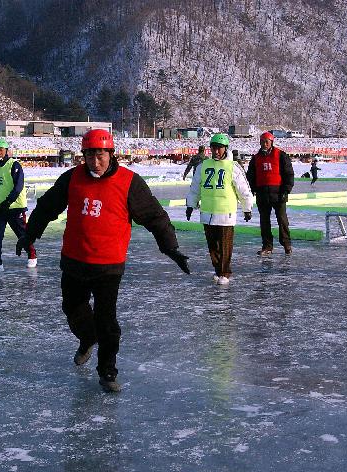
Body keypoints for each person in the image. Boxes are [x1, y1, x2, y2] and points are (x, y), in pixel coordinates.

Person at [16, 129, 190, 393]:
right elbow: (48, 206)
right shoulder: (72, 178)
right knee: (72, 309)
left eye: (101, 156)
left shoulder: (129, 182)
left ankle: (107, 370)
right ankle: (88, 338)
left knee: (106, 319)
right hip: (74, 259)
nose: (95, 163)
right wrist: (30, 234)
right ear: (83, 156)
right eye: (90, 156)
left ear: (111, 154)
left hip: (108, 265)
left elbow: (155, 217)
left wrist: (171, 248)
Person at [185, 133, 253, 284]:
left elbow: (243, 189)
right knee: (212, 246)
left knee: (225, 245)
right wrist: (190, 205)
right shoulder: (203, 166)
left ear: (225, 149)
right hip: (208, 212)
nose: (216, 151)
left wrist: (247, 208)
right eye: (213, 148)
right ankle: (218, 270)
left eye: (219, 148)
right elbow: (195, 188)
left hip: (225, 213)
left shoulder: (233, 167)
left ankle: (225, 273)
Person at [0, 138, 37, 272]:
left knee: (22, 233)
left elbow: (18, 187)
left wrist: (8, 201)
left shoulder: (14, 165)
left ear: (6, 151)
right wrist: (0, 204)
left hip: (14, 207)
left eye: (1, 150)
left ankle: (32, 255)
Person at [246, 131, 295, 255]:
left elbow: (289, 174)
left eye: (267, 141)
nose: (264, 144)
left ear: (271, 142)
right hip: (262, 194)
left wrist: (286, 190)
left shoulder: (281, 155)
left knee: (282, 220)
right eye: (262, 141)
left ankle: (286, 245)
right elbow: (250, 176)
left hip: (278, 194)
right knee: (264, 222)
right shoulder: (256, 158)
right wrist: (251, 190)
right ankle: (267, 246)